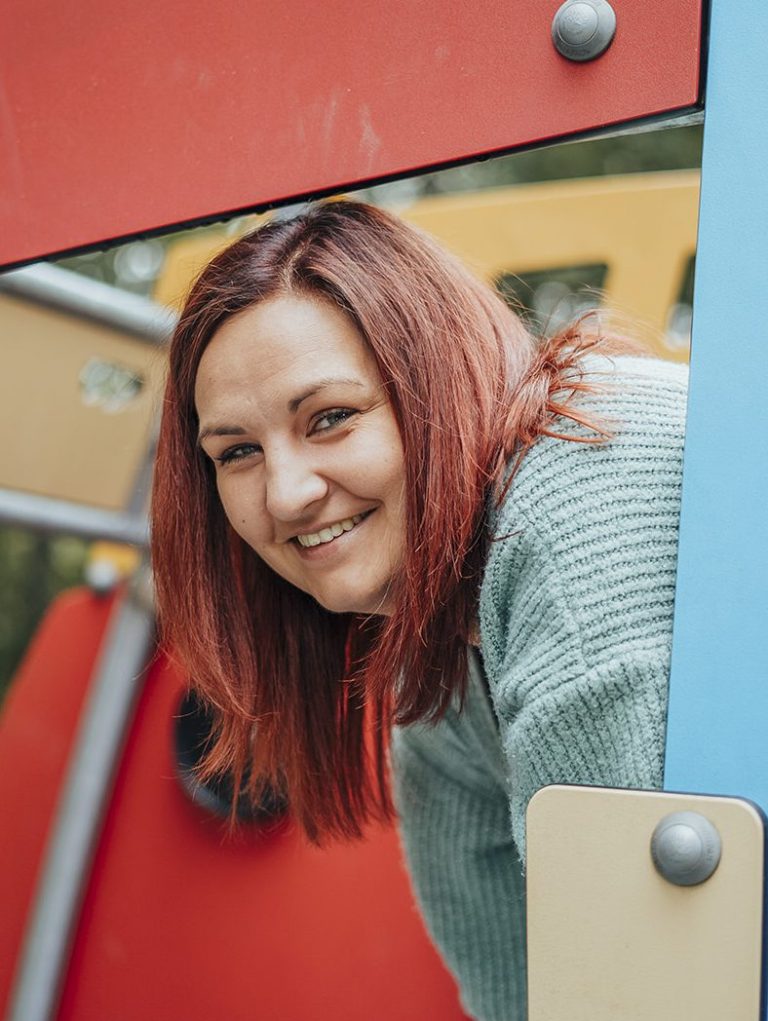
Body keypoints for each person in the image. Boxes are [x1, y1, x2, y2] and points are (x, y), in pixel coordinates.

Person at [151, 200, 687, 1021]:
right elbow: (512, 987)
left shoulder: (574, 508)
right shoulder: (436, 671)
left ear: (432, 376)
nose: (287, 493)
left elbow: (653, 985)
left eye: (329, 418)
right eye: (238, 453)